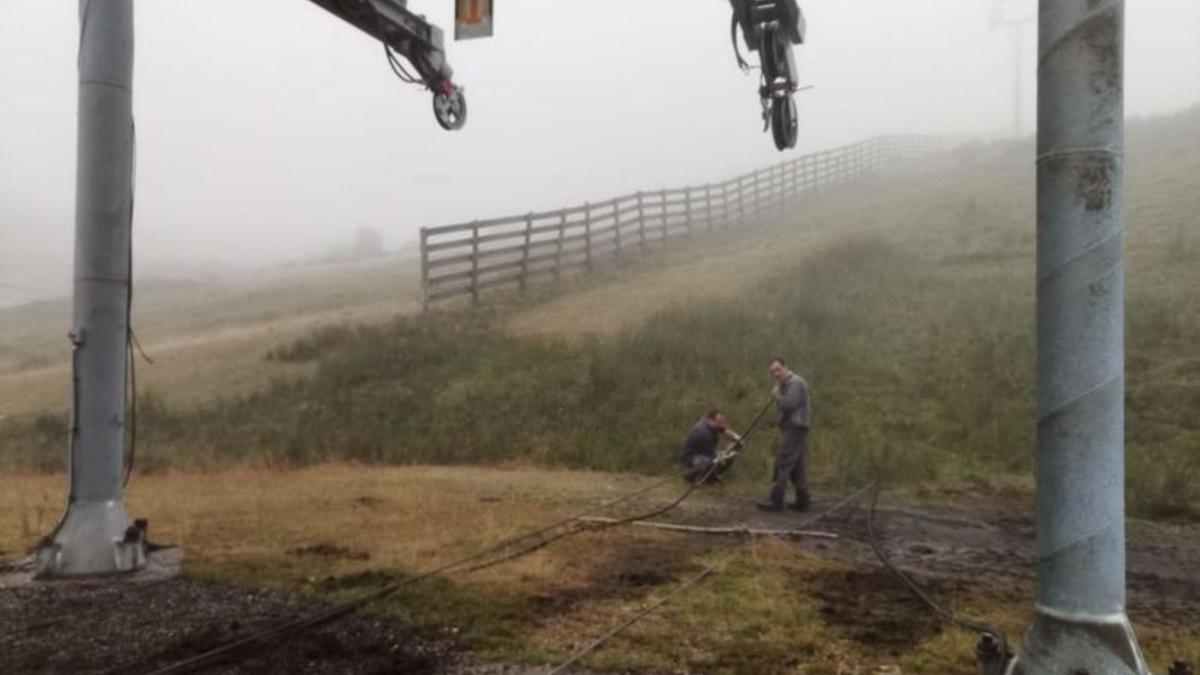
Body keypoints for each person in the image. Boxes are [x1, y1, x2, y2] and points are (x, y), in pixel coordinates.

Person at [757, 357, 812, 511]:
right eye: (773, 371)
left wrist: (777, 396)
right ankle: (802, 501)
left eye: (778, 369)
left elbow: (788, 405)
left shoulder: (796, 383)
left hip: (795, 428)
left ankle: (776, 501)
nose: (775, 374)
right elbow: (785, 410)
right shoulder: (785, 384)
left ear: (786, 367)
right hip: (793, 427)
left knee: (782, 462)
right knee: (796, 466)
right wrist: (774, 422)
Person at [679, 409, 743, 484]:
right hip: (692, 457)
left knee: (727, 457)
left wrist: (737, 438)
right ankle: (690, 476)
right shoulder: (703, 433)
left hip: (703, 454)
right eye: (719, 422)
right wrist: (726, 453)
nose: (722, 424)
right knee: (711, 464)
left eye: (723, 422)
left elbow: (724, 430)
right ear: (709, 420)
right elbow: (710, 456)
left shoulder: (712, 426)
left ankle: (711, 476)